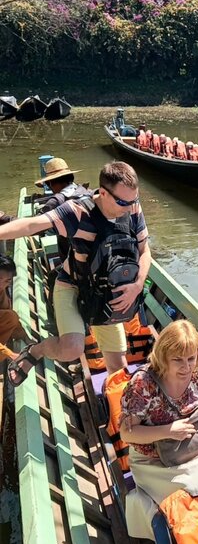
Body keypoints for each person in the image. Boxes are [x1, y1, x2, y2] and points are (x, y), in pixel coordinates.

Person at [0, 160, 151, 384]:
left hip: (106, 293)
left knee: (119, 368)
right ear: (103, 193)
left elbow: (145, 250)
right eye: (122, 202)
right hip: (72, 286)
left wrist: (137, 285)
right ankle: (35, 351)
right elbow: (32, 225)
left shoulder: (132, 207)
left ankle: (117, 406)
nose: (129, 207)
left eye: (133, 200)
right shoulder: (77, 211)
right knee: (71, 349)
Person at [119, 320, 198, 540]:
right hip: (154, 459)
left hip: (193, 447)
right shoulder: (143, 383)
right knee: (187, 490)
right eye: (177, 360)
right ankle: (179, 540)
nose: (186, 367)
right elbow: (126, 433)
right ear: (164, 356)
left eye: (191, 358)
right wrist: (168, 430)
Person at [34, 157, 92, 262]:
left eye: (48, 184)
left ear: (51, 183)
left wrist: (7, 219)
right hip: (94, 251)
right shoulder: (86, 192)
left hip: (75, 257)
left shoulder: (56, 201)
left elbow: (35, 226)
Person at [0, 254, 32, 360]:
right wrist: (9, 354)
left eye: (7, 281)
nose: (1, 285)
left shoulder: (2, 293)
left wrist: (25, 337)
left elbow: (10, 318)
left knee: (11, 316)